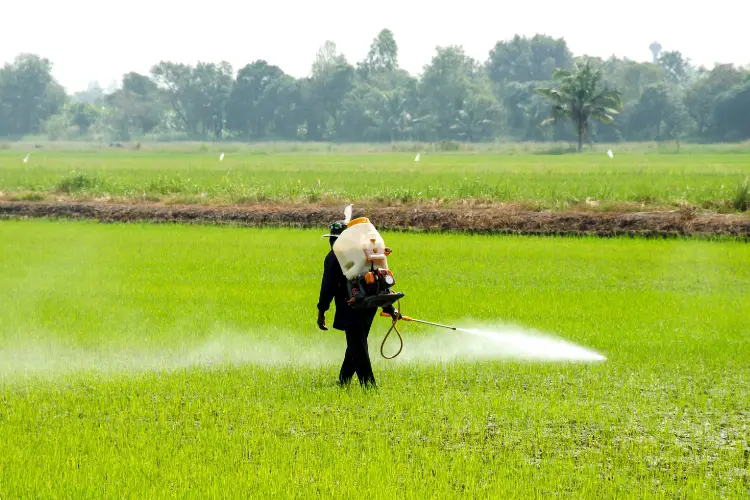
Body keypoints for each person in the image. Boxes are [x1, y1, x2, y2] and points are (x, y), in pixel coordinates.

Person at [317, 219, 397, 389]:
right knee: (356, 344)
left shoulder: (334, 256)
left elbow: (327, 286)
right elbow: (379, 282)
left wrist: (321, 311)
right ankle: (343, 380)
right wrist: (388, 307)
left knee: (358, 347)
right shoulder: (364, 253)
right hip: (369, 306)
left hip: (351, 306)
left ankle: (369, 388)